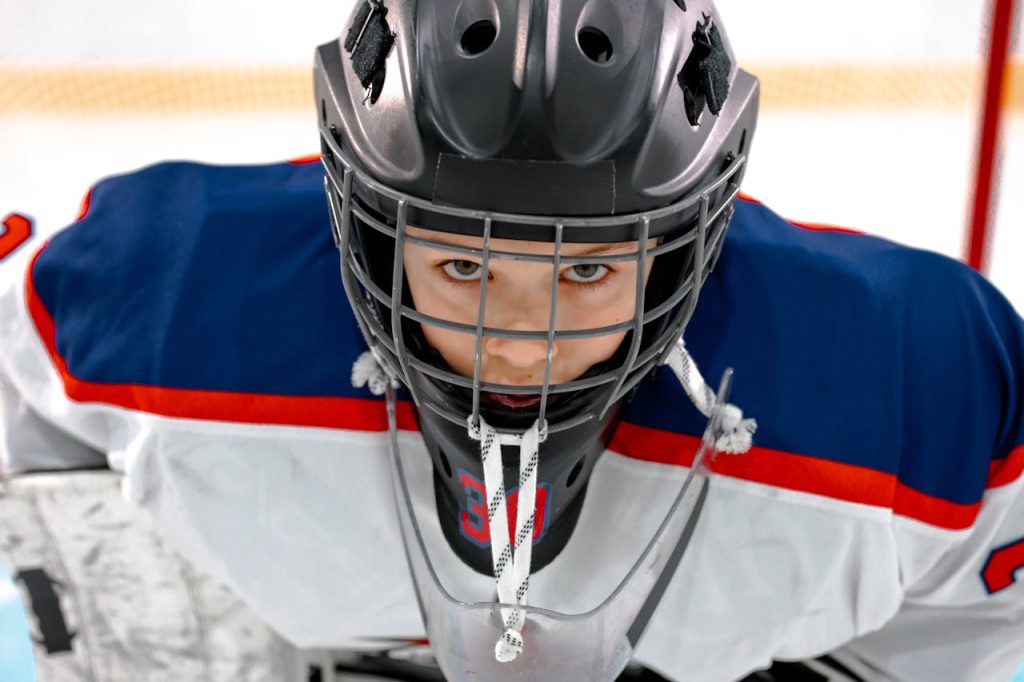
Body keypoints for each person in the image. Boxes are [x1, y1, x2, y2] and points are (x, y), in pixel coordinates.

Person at [1, 0, 1023, 680]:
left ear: (683, 248)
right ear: (362, 223)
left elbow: (979, 597)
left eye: (584, 270)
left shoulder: (908, 382)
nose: (522, 339)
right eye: (463, 267)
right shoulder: (171, 297)